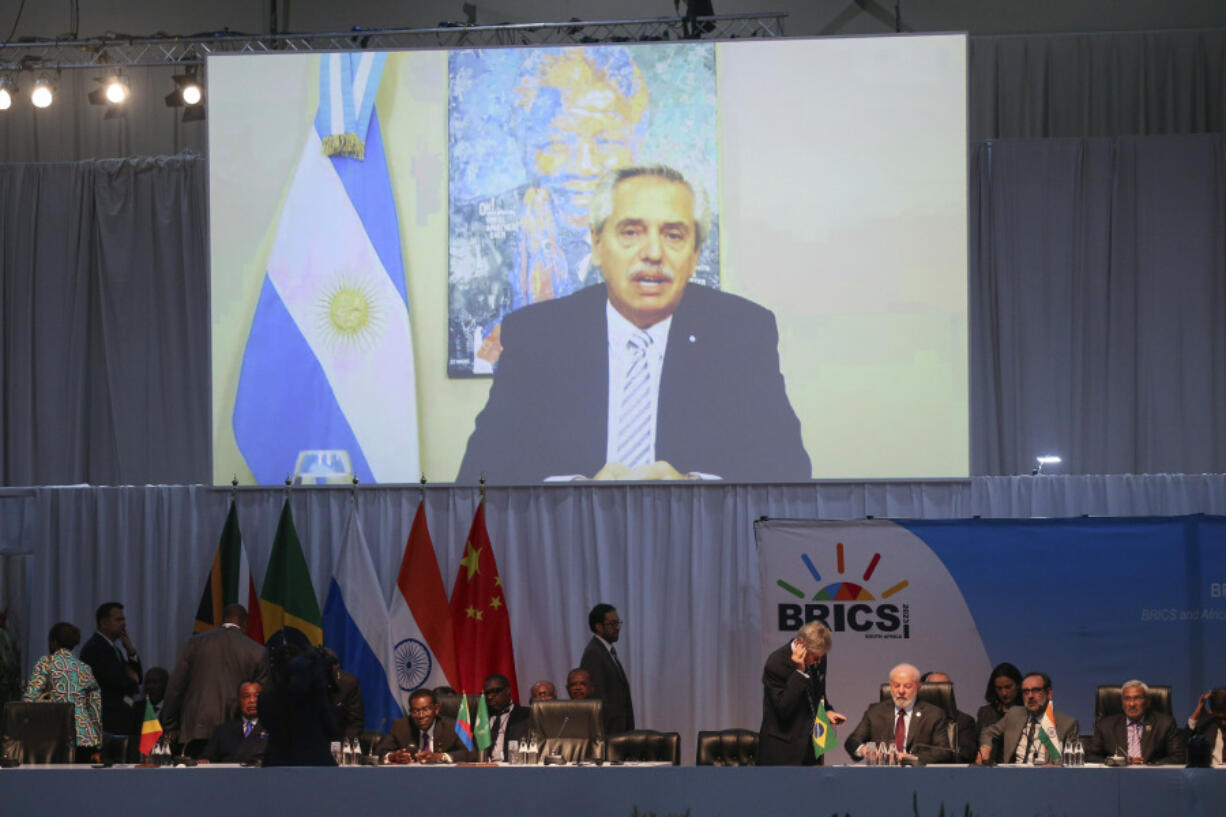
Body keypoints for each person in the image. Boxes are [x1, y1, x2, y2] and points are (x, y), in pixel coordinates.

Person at [456, 163, 810, 483]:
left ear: (695, 255)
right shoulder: (537, 336)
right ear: (596, 244)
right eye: (631, 232)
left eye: (673, 235)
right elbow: (482, 475)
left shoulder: (741, 333)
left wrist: (695, 488)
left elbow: (788, 475)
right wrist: (577, 492)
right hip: (568, 547)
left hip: (699, 546)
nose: (653, 253)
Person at [161, 603, 268, 758]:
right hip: (235, 734)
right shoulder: (258, 651)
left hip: (196, 729)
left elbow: (175, 687)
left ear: (222, 621)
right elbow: (262, 699)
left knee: (196, 781)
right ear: (245, 624)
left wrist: (170, 726)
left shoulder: (195, 644)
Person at [757, 620, 846, 766]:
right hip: (784, 751)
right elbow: (783, 709)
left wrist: (827, 711)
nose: (818, 662)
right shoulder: (776, 663)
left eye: (821, 657)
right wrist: (799, 672)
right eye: (815, 657)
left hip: (812, 745)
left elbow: (818, 693)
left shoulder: (818, 657)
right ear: (801, 646)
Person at [23, 622, 102, 762]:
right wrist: (98, 744)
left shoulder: (46, 663)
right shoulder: (84, 668)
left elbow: (29, 700)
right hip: (84, 738)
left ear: (53, 642)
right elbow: (95, 709)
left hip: (53, 736)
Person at [258, 626, 336, 767]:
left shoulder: (267, 697)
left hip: (278, 763)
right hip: (317, 762)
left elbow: (268, 724)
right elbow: (332, 728)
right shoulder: (315, 694)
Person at [845, 663, 949, 765]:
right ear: (890, 686)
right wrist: (863, 750)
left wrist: (912, 758)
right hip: (883, 774)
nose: (901, 691)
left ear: (918, 687)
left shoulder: (933, 714)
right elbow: (852, 741)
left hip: (917, 774)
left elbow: (943, 751)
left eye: (907, 686)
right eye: (896, 686)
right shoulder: (875, 711)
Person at [80, 602, 142, 757]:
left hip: (118, 719)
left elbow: (137, 676)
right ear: (104, 623)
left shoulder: (114, 648)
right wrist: (132, 681)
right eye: (118, 620)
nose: (124, 623)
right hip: (106, 720)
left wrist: (131, 651)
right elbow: (116, 680)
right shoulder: (96, 647)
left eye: (124, 619)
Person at [977, 672, 1079, 765]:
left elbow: (1074, 762)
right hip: (1013, 776)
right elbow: (988, 732)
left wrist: (1059, 766)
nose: (1030, 696)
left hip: (1046, 778)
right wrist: (986, 746)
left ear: (1049, 693)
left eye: (1036, 690)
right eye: (1026, 691)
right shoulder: (1014, 714)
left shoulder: (1067, 724)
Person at [1085, 680, 1184, 764]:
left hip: (1153, 777)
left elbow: (1178, 756)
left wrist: (1149, 765)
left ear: (1147, 701)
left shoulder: (1165, 723)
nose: (1132, 704)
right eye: (1127, 699)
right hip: (1116, 777)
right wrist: (1119, 762)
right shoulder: (1105, 725)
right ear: (1122, 702)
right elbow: (1090, 756)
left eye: (1137, 698)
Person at [375, 688, 474, 764]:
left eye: (426, 710)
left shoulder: (453, 726)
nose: (420, 716)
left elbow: (471, 753)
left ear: (436, 710)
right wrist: (393, 756)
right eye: (415, 711)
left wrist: (439, 757)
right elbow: (379, 751)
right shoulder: (400, 726)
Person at [579, 604, 634, 734]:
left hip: (619, 733)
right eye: (613, 624)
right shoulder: (594, 653)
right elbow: (597, 700)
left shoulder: (605, 651)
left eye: (618, 623)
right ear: (598, 627)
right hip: (609, 735)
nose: (618, 628)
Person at [201, 681, 268, 765]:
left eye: (257, 696)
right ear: (239, 701)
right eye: (246, 696)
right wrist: (205, 761)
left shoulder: (273, 729)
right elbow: (206, 758)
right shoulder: (222, 731)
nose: (252, 700)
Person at [921, 670, 978, 763]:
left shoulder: (964, 721)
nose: (940, 692)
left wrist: (941, 755)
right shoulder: (917, 719)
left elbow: (967, 754)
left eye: (945, 687)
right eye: (935, 688)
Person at [484, 672, 531, 761]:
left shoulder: (526, 715)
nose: (490, 696)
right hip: (483, 768)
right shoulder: (481, 717)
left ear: (508, 691)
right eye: (487, 693)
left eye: (495, 691)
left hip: (511, 767)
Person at [323, 648, 365, 740]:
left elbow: (355, 722)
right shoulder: (308, 683)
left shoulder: (349, 684)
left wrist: (344, 746)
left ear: (336, 667)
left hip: (340, 740)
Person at [977, 662, 1023, 734]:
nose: (1004, 693)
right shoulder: (985, 713)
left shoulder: (1028, 711)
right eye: (999, 688)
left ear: (1018, 685)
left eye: (1008, 687)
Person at [1186, 687, 1226, 767]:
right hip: (1209, 772)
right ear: (1212, 712)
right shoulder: (1206, 723)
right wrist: (1199, 708)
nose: (1223, 722)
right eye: (1219, 718)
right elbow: (1186, 737)